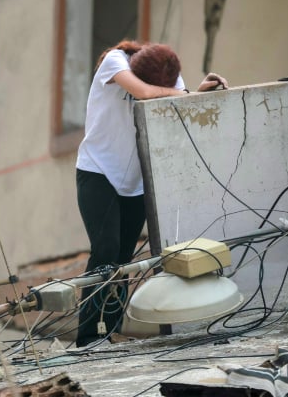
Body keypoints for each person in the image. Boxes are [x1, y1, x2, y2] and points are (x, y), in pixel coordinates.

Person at [74, 40, 228, 347]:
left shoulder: (168, 77)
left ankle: (111, 330)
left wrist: (197, 92)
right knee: (105, 248)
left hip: (135, 182)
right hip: (97, 171)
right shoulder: (116, 61)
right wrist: (181, 94)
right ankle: (88, 334)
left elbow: (177, 102)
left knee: (123, 258)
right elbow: (147, 93)